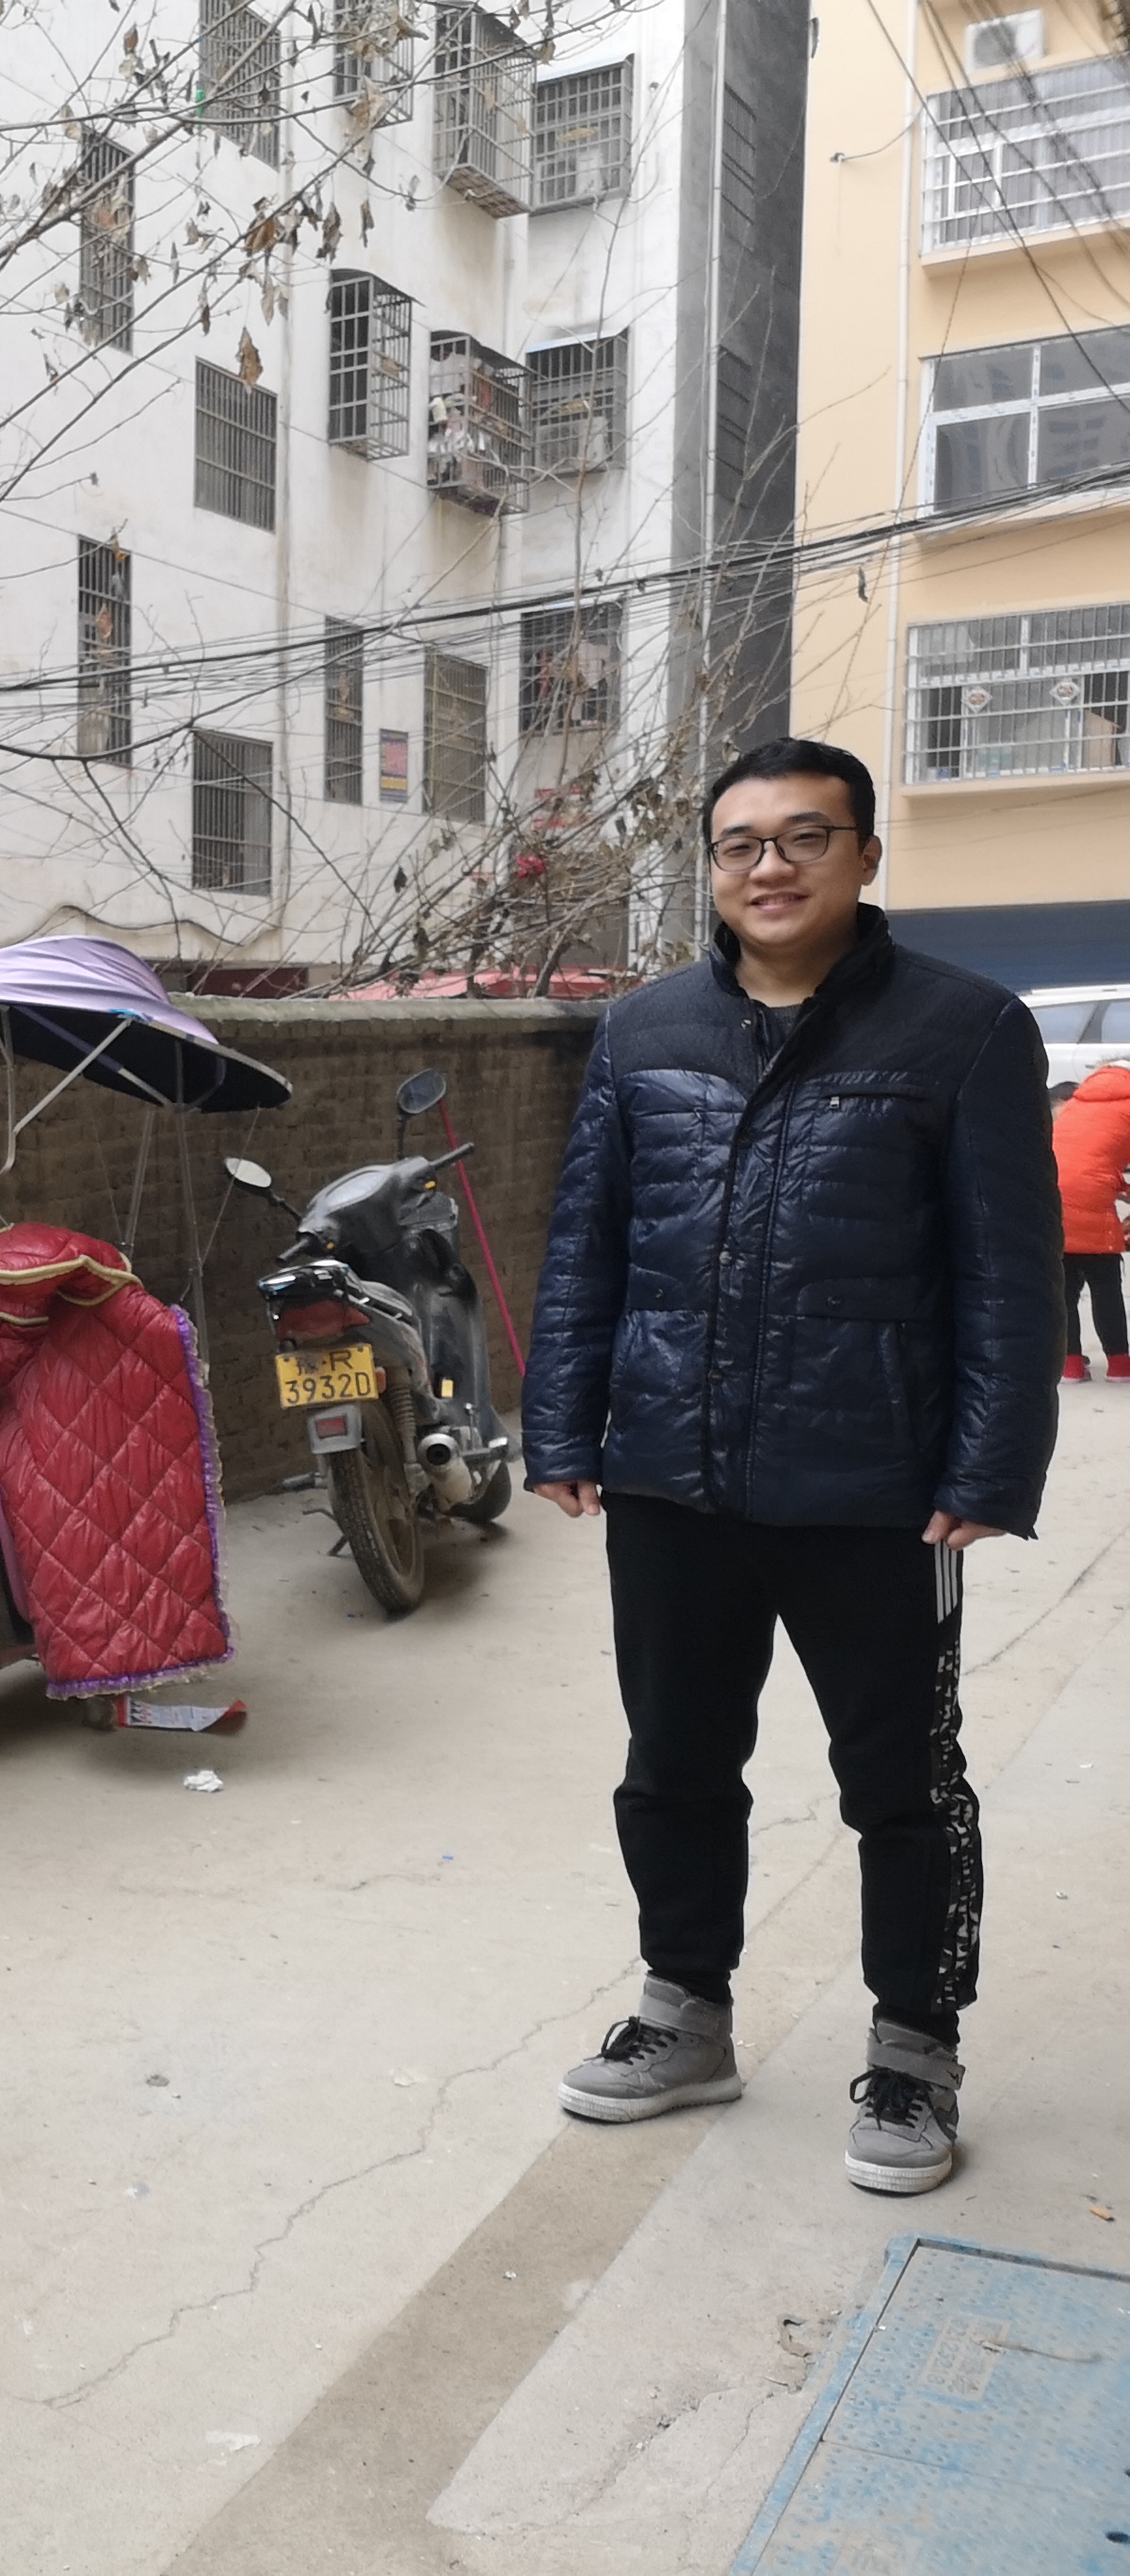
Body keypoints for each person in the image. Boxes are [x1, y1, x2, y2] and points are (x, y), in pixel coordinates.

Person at [525, 736, 1057, 2196]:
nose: (770, 865)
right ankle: (684, 2013)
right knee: (674, 1765)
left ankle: (915, 2048)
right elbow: (588, 1243)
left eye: (805, 837)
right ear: (711, 867)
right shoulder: (643, 1030)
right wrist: (562, 1422)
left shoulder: (965, 1029)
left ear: (865, 857)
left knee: (904, 1783)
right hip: (669, 1476)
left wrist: (990, 1465)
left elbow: (1008, 1273)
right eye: (740, 842)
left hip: (874, 1487)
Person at [1053, 1058, 1130, 1381]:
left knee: (1065, 1290)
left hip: (1051, 1196)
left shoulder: (1076, 1104)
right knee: (1106, 1286)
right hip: (1093, 1200)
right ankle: (1120, 1365)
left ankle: (1070, 1365)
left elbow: (1085, 1158)